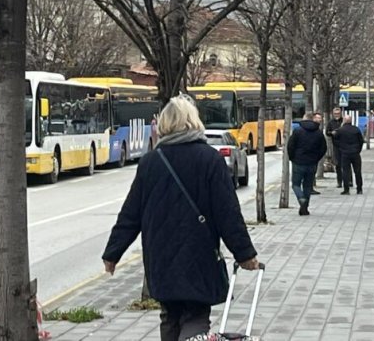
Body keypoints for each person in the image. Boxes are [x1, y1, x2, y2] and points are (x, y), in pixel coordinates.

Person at [102, 95, 258, 341]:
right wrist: (245, 254)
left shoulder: (150, 162)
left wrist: (113, 253)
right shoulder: (210, 160)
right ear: (193, 121)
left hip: (160, 256)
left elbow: (131, 213)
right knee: (195, 314)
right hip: (199, 253)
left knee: (170, 314)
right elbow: (228, 213)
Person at [287, 112, 327, 215]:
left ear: (304, 118)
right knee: (308, 186)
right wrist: (316, 158)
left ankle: (301, 199)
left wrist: (292, 158)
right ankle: (305, 208)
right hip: (312, 163)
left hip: (298, 162)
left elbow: (290, 146)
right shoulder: (318, 133)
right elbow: (323, 148)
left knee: (296, 184)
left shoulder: (297, 131)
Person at [336, 114, 364, 195]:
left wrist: (340, 148)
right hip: (355, 153)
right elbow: (361, 141)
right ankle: (359, 189)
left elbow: (336, 140)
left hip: (345, 153)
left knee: (345, 171)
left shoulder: (340, 130)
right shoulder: (356, 129)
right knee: (357, 171)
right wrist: (358, 150)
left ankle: (346, 189)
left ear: (344, 121)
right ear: (351, 121)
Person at [325, 107, 345, 187]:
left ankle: (349, 181)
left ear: (341, 114)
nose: (337, 115)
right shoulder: (331, 122)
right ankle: (339, 182)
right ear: (333, 114)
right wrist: (331, 133)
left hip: (345, 145)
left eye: (338, 113)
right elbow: (327, 132)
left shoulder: (344, 121)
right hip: (336, 145)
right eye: (335, 114)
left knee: (346, 164)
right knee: (338, 164)